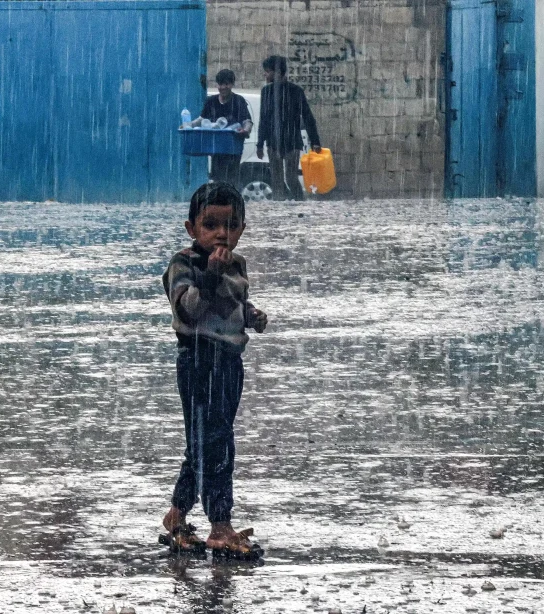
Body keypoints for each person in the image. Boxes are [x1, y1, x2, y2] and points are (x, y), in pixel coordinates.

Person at [160, 182, 268, 559]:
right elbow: (188, 309)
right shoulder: (183, 264)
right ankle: (220, 525)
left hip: (229, 363)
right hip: (199, 361)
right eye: (210, 225)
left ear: (241, 228)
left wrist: (252, 316)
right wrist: (208, 275)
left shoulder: (236, 264)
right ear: (192, 229)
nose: (222, 233)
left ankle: (176, 515)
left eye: (231, 224)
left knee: (203, 443)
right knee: (216, 443)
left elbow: (236, 300)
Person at [256, 55, 322, 201]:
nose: (265, 74)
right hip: (273, 142)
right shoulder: (266, 92)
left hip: (292, 142)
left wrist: (315, 141)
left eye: (267, 71)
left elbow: (307, 117)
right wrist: (260, 144)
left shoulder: (296, 91)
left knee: (291, 177)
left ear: (277, 73)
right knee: (277, 180)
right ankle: (280, 209)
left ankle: (300, 202)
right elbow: (264, 120)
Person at [184, 69, 252, 188]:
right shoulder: (211, 101)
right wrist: (188, 125)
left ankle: (232, 202)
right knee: (216, 178)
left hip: (233, 147)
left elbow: (247, 121)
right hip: (216, 147)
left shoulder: (238, 101)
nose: (223, 87)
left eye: (226, 84)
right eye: (220, 84)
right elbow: (201, 119)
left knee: (232, 179)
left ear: (232, 84)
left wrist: (245, 130)